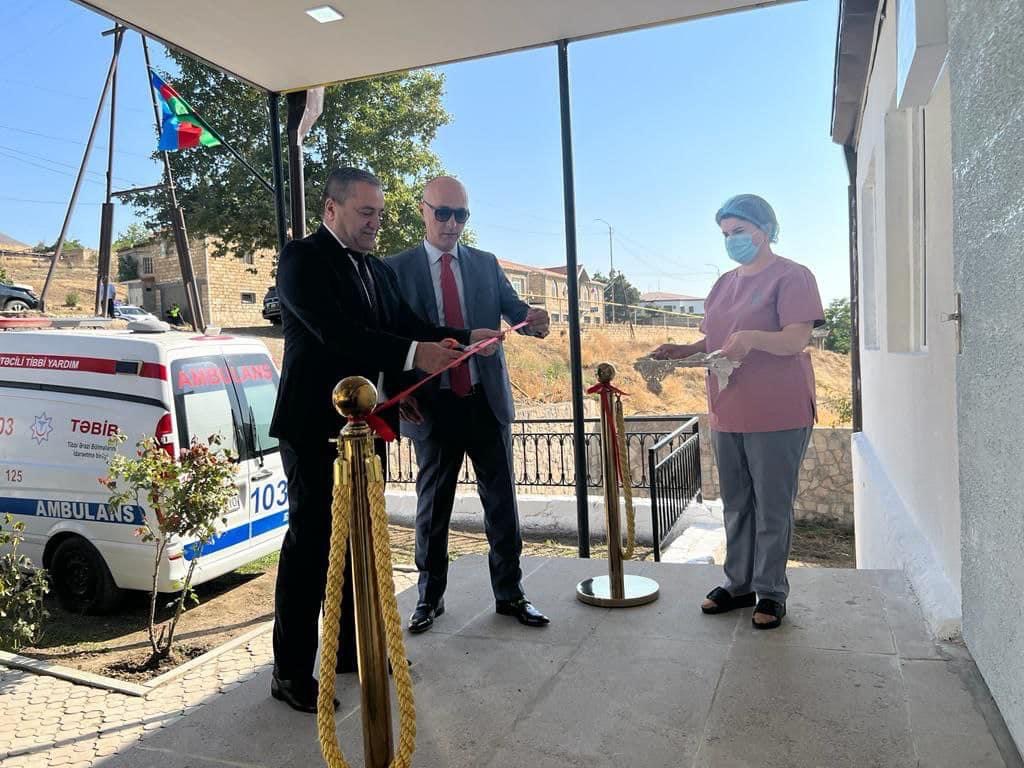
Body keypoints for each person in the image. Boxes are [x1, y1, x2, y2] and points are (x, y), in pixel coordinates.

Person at [268, 167, 501, 713]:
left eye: (380, 213)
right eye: (365, 213)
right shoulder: (302, 259)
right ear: (331, 210)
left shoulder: (375, 270)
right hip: (314, 429)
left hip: (365, 426)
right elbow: (338, 335)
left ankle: (353, 649)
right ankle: (290, 670)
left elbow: (406, 324)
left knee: (363, 542)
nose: (376, 223)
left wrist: (466, 337)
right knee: (312, 546)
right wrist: (416, 355)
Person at [650, 194, 824, 630]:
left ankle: (771, 591)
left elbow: (795, 340)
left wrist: (753, 338)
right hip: (728, 409)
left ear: (765, 231)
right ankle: (739, 583)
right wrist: (683, 350)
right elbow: (716, 340)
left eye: (740, 231)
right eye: (726, 234)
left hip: (778, 411)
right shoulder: (723, 284)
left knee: (772, 507)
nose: (732, 240)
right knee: (737, 504)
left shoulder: (793, 276)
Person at [388, 176, 552, 634]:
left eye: (460, 214)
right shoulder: (395, 269)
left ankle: (511, 593)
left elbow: (516, 312)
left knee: (501, 504)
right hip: (431, 406)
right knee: (433, 507)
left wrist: (534, 321)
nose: (452, 223)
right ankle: (428, 598)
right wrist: (398, 390)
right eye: (442, 213)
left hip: (486, 402)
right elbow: (391, 337)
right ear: (422, 210)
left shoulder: (485, 264)